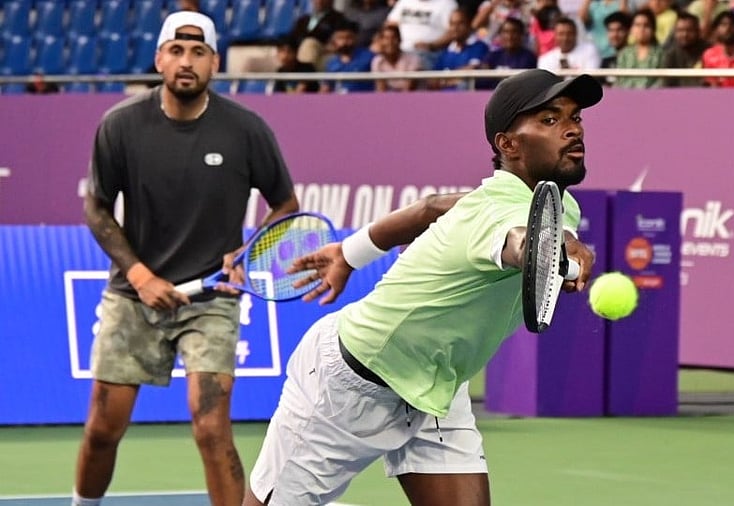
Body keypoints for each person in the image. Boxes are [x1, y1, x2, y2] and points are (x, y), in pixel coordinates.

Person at [242, 68, 601, 505]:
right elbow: (518, 239)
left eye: (575, 117)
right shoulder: (495, 216)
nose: (571, 128)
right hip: (353, 383)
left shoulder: (557, 204)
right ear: (507, 144)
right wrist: (556, 245)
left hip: (438, 385)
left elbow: (432, 207)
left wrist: (349, 253)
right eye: (549, 120)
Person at [73, 11, 300, 506]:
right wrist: (139, 274)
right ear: (159, 58)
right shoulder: (120, 126)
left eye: (198, 52)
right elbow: (96, 205)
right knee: (102, 428)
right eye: (176, 51)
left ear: (214, 63)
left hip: (212, 297)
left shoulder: (246, 129)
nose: (186, 62)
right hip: (134, 296)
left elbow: (285, 204)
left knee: (211, 426)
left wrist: (248, 250)